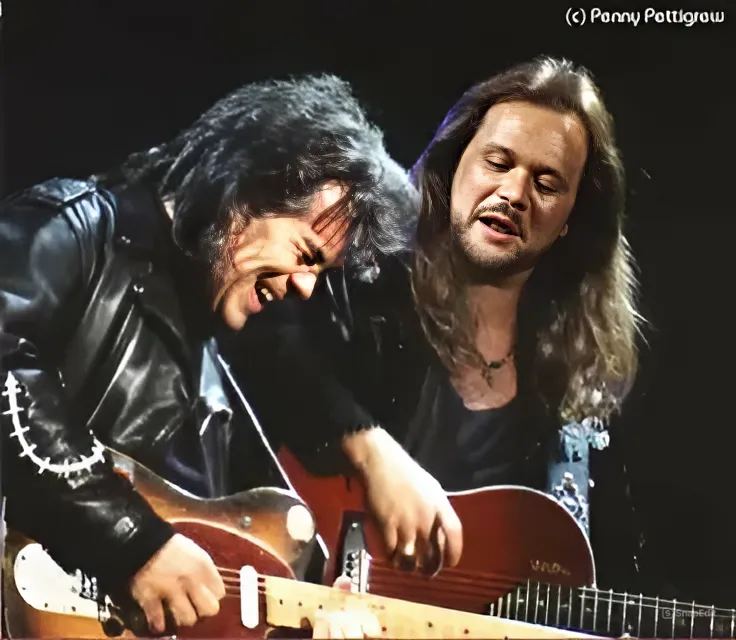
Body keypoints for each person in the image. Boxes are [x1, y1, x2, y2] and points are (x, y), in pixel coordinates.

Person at [0, 73, 417, 636]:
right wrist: (132, 540)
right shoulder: (76, 229)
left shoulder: (219, 373)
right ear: (245, 191)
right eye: (306, 254)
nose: (306, 288)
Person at [237, 56, 648, 594]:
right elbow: (258, 333)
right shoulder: (363, 279)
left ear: (573, 217)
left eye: (546, 184)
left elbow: (611, 573)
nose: (514, 194)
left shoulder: (578, 392)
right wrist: (371, 449)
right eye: (497, 163)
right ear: (454, 165)